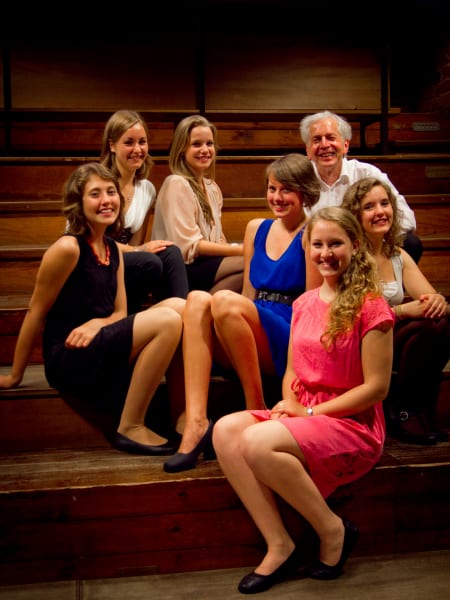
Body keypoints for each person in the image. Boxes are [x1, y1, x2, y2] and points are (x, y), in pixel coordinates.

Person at [212, 206, 395, 595]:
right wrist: (287, 403)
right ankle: (279, 542)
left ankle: (332, 530)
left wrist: (308, 412)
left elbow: (376, 388)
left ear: (356, 245)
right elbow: (293, 371)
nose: (325, 253)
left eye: (336, 244)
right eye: (317, 245)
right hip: (304, 410)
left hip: (350, 420)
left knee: (258, 441)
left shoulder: (371, 305)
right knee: (227, 429)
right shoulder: (304, 303)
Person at [0, 162, 185, 456]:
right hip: (70, 356)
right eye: (95, 194)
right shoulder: (67, 248)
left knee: (180, 307)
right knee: (167, 320)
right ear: (78, 202)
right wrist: (14, 376)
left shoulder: (113, 251)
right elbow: (36, 312)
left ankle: (182, 417)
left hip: (100, 342)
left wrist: (98, 323)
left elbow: (119, 314)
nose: (106, 200)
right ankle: (131, 425)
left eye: (111, 192)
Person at [164, 153, 322, 473]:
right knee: (195, 300)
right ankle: (195, 422)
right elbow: (249, 295)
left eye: (286, 190)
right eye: (272, 188)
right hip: (249, 318)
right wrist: (229, 315)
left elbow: (312, 306)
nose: (276, 197)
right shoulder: (256, 228)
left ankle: (256, 407)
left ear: (305, 192)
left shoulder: (314, 232)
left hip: (290, 329)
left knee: (223, 300)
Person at [342, 177, 450, 445]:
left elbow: (430, 299)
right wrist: (402, 311)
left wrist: (436, 301)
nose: (380, 211)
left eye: (384, 203)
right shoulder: (350, 256)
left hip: (395, 334)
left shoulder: (398, 254)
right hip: (362, 340)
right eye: (369, 207)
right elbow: (352, 315)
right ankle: (402, 412)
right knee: (421, 329)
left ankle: (420, 411)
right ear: (355, 215)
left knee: (440, 323)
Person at [299, 110, 423, 264]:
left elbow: (407, 220)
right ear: (308, 150)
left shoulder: (367, 173)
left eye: (331, 138)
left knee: (411, 243)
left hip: (363, 250)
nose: (324, 145)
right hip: (318, 254)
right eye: (317, 140)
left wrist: (359, 240)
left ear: (345, 145)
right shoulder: (299, 178)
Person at [100, 109, 188, 313]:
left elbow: (136, 242)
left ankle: (182, 314)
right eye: (129, 142)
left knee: (171, 252)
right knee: (149, 261)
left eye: (142, 142)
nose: (137, 149)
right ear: (112, 145)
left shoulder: (146, 188)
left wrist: (138, 250)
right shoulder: (98, 182)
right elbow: (89, 242)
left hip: (127, 259)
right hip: (98, 261)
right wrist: (138, 251)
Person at [151, 114, 244, 293]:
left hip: (206, 264)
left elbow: (219, 238)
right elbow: (189, 247)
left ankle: (206, 310)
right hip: (182, 270)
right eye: (196, 144)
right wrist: (240, 250)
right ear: (181, 149)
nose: (205, 149)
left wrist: (235, 248)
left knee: (251, 267)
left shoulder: (212, 187)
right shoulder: (176, 183)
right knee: (249, 262)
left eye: (209, 144)